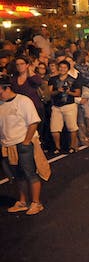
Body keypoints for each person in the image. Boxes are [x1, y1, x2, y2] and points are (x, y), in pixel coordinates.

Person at [0, 76, 50, 215]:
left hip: (23, 143)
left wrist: (26, 142)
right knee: (18, 176)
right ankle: (23, 201)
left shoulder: (23, 101)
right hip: (8, 145)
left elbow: (33, 122)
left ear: (6, 88)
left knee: (30, 174)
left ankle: (36, 203)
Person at [48, 60, 81, 154]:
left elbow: (78, 93)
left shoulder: (73, 79)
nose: (62, 69)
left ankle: (72, 146)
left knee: (72, 127)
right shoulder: (53, 79)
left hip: (69, 106)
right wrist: (58, 91)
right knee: (54, 129)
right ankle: (57, 147)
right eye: (61, 67)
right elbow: (49, 93)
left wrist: (68, 92)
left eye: (64, 67)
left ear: (68, 69)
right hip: (56, 106)